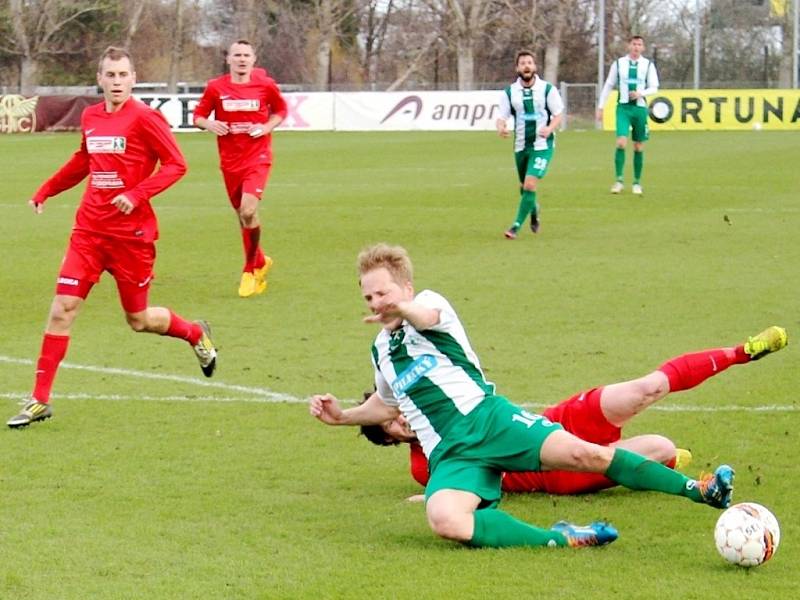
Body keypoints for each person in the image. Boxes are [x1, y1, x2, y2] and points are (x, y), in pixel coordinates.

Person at [310, 243, 782, 550]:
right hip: (450, 453)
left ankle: (701, 491)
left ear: (405, 287)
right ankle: (557, 539)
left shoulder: (431, 307)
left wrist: (404, 307)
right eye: (369, 298)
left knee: (586, 454)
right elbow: (387, 406)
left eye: (383, 293)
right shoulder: (381, 351)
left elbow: (426, 315)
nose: (377, 304)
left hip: (490, 419)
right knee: (445, 520)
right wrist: (342, 416)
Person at [7, 47, 217, 429]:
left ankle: (195, 332)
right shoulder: (90, 117)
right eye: (110, 75)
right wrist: (47, 189)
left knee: (138, 319)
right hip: (88, 232)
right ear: (100, 79)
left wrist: (136, 194)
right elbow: (83, 162)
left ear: (133, 78)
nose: (117, 82)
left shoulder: (147, 119)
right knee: (61, 309)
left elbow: (177, 165)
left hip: (131, 237)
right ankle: (39, 400)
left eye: (123, 75)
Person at [362, 324, 787, 496]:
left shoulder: (448, 400)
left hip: (555, 421)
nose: (403, 417)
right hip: (556, 473)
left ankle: (742, 352)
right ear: (393, 439)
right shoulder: (427, 464)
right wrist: (431, 497)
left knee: (646, 388)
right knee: (661, 445)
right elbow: (462, 488)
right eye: (394, 423)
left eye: (398, 409)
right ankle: (682, 470)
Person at [193, 40, 288, 298]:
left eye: (246, 55)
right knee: (243, 217)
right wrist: (209, 125)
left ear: (254, 59)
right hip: (230, 162)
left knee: (248, 209)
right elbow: (198, 116)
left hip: (257, 157)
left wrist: (267, 127)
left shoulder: (265, 86)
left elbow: (281, 110)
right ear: (229, 59)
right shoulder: (216, 88)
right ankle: (260, 260)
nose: (242, 59)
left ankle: (249, 271)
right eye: (237, 55)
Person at [496, 50, 564, 239]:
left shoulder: (547, 90)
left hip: (542, 146)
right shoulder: (510, 92)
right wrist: (501, 128)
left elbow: (558, 114)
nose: (526, 66)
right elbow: (501, 116)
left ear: (535, 67)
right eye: (523, 63)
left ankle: (515, 227)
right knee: (524, 187)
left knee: (530, 185)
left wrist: (550, 128)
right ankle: (534, 211)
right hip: (520, 146)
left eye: (529, 63)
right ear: (517, 68)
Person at [596, 35, 660, 196]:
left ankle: (637, 182)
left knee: (638, 145)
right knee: (621, 143)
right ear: (629, 46)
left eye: (639, 44)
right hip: (623, 109)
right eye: (634, 44)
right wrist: (601, 107)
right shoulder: (619, 64)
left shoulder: (647, 65)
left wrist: (641, 93)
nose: (636, 47)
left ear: (643, 48)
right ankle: (618, 181)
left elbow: (654, 87)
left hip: (639, 110)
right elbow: (609, 85)